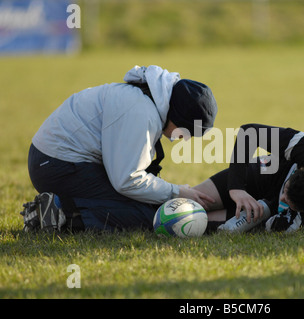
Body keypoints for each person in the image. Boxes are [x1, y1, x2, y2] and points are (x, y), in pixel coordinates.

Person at [21, 65, 217, 232]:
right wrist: (176, 192)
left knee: (147, 203)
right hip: (57, 166)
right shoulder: (140, 112)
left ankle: (57, 208)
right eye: (188, 132)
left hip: (53, 160)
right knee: (146, 215)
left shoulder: (146, 100)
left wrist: (171, 192)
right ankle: (60, 214)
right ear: (179, 116)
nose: (185, 139)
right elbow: (127, 181)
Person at [194, 123, 304, 234]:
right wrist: (236, 188)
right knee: (193, 198)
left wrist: (265, 209)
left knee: (193, 220)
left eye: (288, 200)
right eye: (287, 190)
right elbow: (249, 133)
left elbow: (258, 224)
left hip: (271, 210)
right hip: (274, 172)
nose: (283, 197)